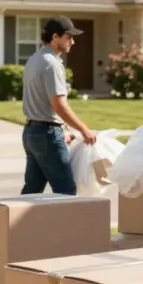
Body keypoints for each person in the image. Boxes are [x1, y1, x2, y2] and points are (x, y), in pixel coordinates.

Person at [20, 15, 97, 195]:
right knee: (65, 190)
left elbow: (44, 102)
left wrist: (64, 130)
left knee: (32, 189)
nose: (73, 42)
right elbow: (59, 105)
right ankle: (65, 224)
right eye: (68, 37)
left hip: (32, 132)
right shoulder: (51, 64)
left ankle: (15, 222)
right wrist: (84, 130)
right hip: (47, 136)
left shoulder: (35, 59)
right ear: (55, 37)